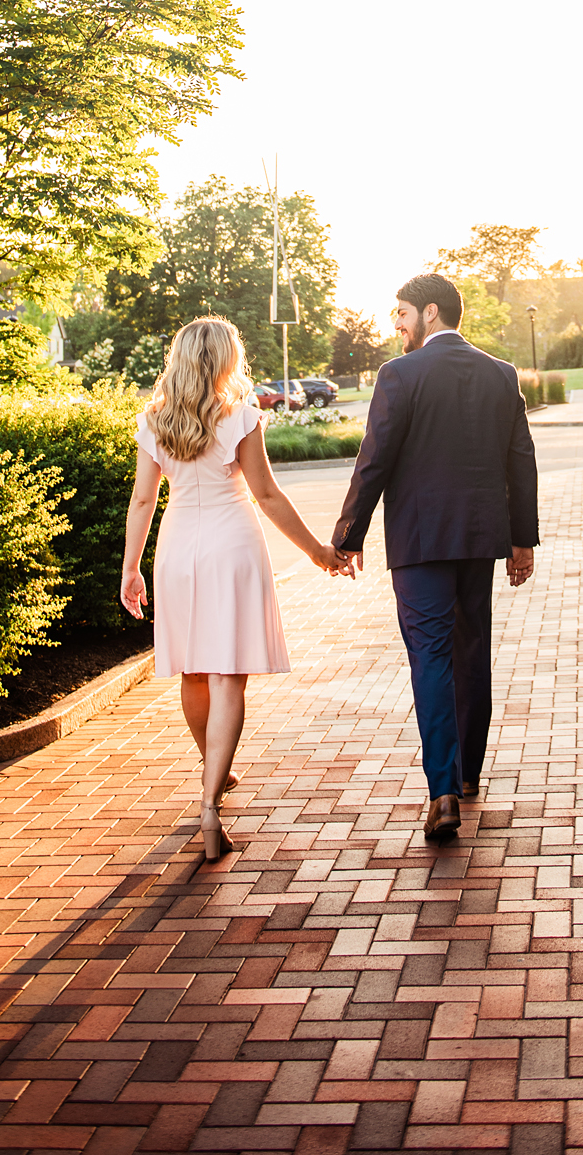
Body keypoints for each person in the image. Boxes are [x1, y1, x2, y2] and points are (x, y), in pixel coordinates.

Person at [120, 315, 354, 860]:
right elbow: (267, 495)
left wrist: (131, 568)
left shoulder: (154, 419)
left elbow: (142, 501)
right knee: (229, 676)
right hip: (232, 545)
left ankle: (213, 772)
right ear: (226, 359)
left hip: (177, 548)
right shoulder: (242, 414)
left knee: (194, 671)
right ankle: (209, 804)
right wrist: (318, 551)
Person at [331, 272, 538, 843]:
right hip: (480, 539)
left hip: (421, 542)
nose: (395, 324)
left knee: (431, 656)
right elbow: (521, 461)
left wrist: (349, 536)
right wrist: (521, 539)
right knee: (473, 651)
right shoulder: (501, 375)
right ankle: (468, 774)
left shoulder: (399, 374)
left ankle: (442, 790)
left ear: (430, 312)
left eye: (401, 313)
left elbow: (373, 461)